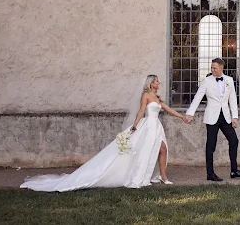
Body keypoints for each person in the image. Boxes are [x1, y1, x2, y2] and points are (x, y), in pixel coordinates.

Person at [20, 75, 186, 191]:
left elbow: (168, 109)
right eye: (157, 81)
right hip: (147, 126)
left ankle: (163, 176)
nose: (159, 82)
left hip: (156, 126)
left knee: (163, 149)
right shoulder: (146, 96)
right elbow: (141, 112)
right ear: (151, 83)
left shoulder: (157, 97)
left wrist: (182, 117)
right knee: (149, 151)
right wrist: (134, 128)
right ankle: (144, 175)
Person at [184, 58, 240, 181]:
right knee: (211, 146)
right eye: (211, 68)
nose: (212, 70)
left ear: (221, 68)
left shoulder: (229, 80)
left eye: (214, 68)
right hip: (212, 117)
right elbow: (198, 97)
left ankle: (234, 171)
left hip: (225, 117)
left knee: (234, 140)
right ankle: (210, 174)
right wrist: (190, 113)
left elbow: (232, 100)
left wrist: (235, 117)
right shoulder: (206, 81)